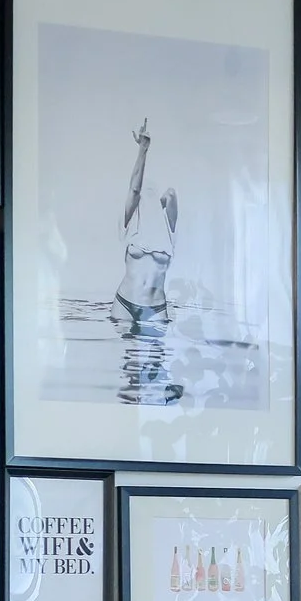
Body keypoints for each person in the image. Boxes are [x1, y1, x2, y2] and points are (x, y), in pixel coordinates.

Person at [113, 120, 184, 406]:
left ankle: (161, 408)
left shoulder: (169, 231)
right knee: (131, 367)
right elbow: (133, 189)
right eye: (146, 193)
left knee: (159, 362)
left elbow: (173, 194)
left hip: (156, 309)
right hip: (126, 303)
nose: (149, 194)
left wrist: (162, 197)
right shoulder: (129, 226)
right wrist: (143, 149)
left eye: (153, 194)